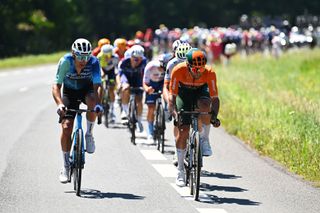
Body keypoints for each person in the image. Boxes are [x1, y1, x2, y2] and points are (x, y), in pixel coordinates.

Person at [52, 38, 103, 183]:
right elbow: (56, 86)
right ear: (73, 54)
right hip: (70, 93)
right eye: (81, 56)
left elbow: (97, 86)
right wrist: (60, 104)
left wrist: (98, 105)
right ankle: (66, 165)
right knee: (67, 127)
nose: (84, 60)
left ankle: (88, 134)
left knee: (93, 101)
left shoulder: (93, 62)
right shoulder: (65, 62)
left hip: (87, 90)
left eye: (87, 56)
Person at [168, 48, 220, 187]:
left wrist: (214, 117)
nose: (199, 72)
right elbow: (172, 98)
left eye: (201, 69)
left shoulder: (209, 72)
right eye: (196, 69)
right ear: (188, 65)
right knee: (183, 130)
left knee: (205, 106)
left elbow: (215, 99)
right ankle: (180, 170)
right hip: (183, 93)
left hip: (200, 91)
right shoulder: (178, 70)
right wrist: (175, 114)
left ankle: (204, 139)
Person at [118, 45, 147, 132]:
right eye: (135, 59)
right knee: (125, 88)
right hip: (126, 76)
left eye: (139, 59)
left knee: (139, 100)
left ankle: (139, 120)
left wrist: (145, 85)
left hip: (137, 77)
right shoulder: (124, 62)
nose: (137, 61)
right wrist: (121, 84)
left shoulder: (144, 61)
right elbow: (119, 75)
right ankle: (125, 110)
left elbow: (145, 74)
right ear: (131, 57)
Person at [142, 54, 166, 142]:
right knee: (151, 108)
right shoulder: (150, 67)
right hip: (151, 84)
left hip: (162, 83)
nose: (163, 68)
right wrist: (147, 89)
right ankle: (150, 132)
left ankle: (165, 113)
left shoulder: (168, 68)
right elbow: (144, 83)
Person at [97, 44, 119, 122]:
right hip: (102, 70)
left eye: (108, 55)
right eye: (105, 55)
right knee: (101, 87)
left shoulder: (115, 57)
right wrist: (102, 74)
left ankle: (112, 109)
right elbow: (98, 67)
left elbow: (117, 69)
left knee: (111, 88)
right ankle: (100, 102)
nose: (107, 57)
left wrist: (116, 79)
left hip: (111, 72)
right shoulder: (99, 56)